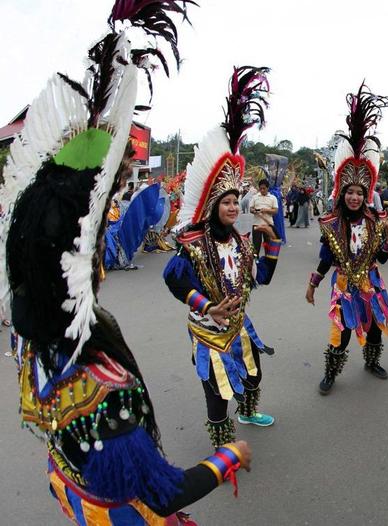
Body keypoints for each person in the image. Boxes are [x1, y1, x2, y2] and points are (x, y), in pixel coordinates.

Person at [0, 2, 253, 523]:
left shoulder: (34, 339)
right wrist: (229, 458)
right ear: (77, 265)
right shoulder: (99, 387)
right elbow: (161, 494)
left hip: (74, 489)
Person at [164, 67, 282, 447]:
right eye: (227, 203)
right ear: (214, 206)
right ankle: (222, 445)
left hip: (239, 326)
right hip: (208, 331)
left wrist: (274, 244)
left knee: (253, 374)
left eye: (236, 202)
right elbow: (172, 277)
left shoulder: (244, 241)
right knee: (216, 394)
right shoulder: (194, 243)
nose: (233, 208)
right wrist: (207, 306)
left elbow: (259, 279)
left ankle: (247, 413)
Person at [305, 83, 388, 395]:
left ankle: (371, 362)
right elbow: (326, 257)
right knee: (341, 331)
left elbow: (382, 259)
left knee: (373, 328)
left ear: (366, 194)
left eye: (360, 192)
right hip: (343, 284)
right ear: (342, 193)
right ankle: (331, 373)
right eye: (350, 192)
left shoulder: (376, 221)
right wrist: (314, 282)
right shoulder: (331, 223)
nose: (355, 197)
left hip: (371, 282)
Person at [249, 178, 278, 256]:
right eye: (260, 188)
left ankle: (267, 263)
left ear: (267, 188)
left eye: (264, 188)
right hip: (257, 224)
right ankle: (255, 264)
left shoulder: (273, 198)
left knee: (268, 246)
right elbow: (251, 209)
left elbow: (275, 211)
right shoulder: (255, 197)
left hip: (268, 225)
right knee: (256, 246)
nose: (262, 190)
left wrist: (266, 210)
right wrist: (254, 211)